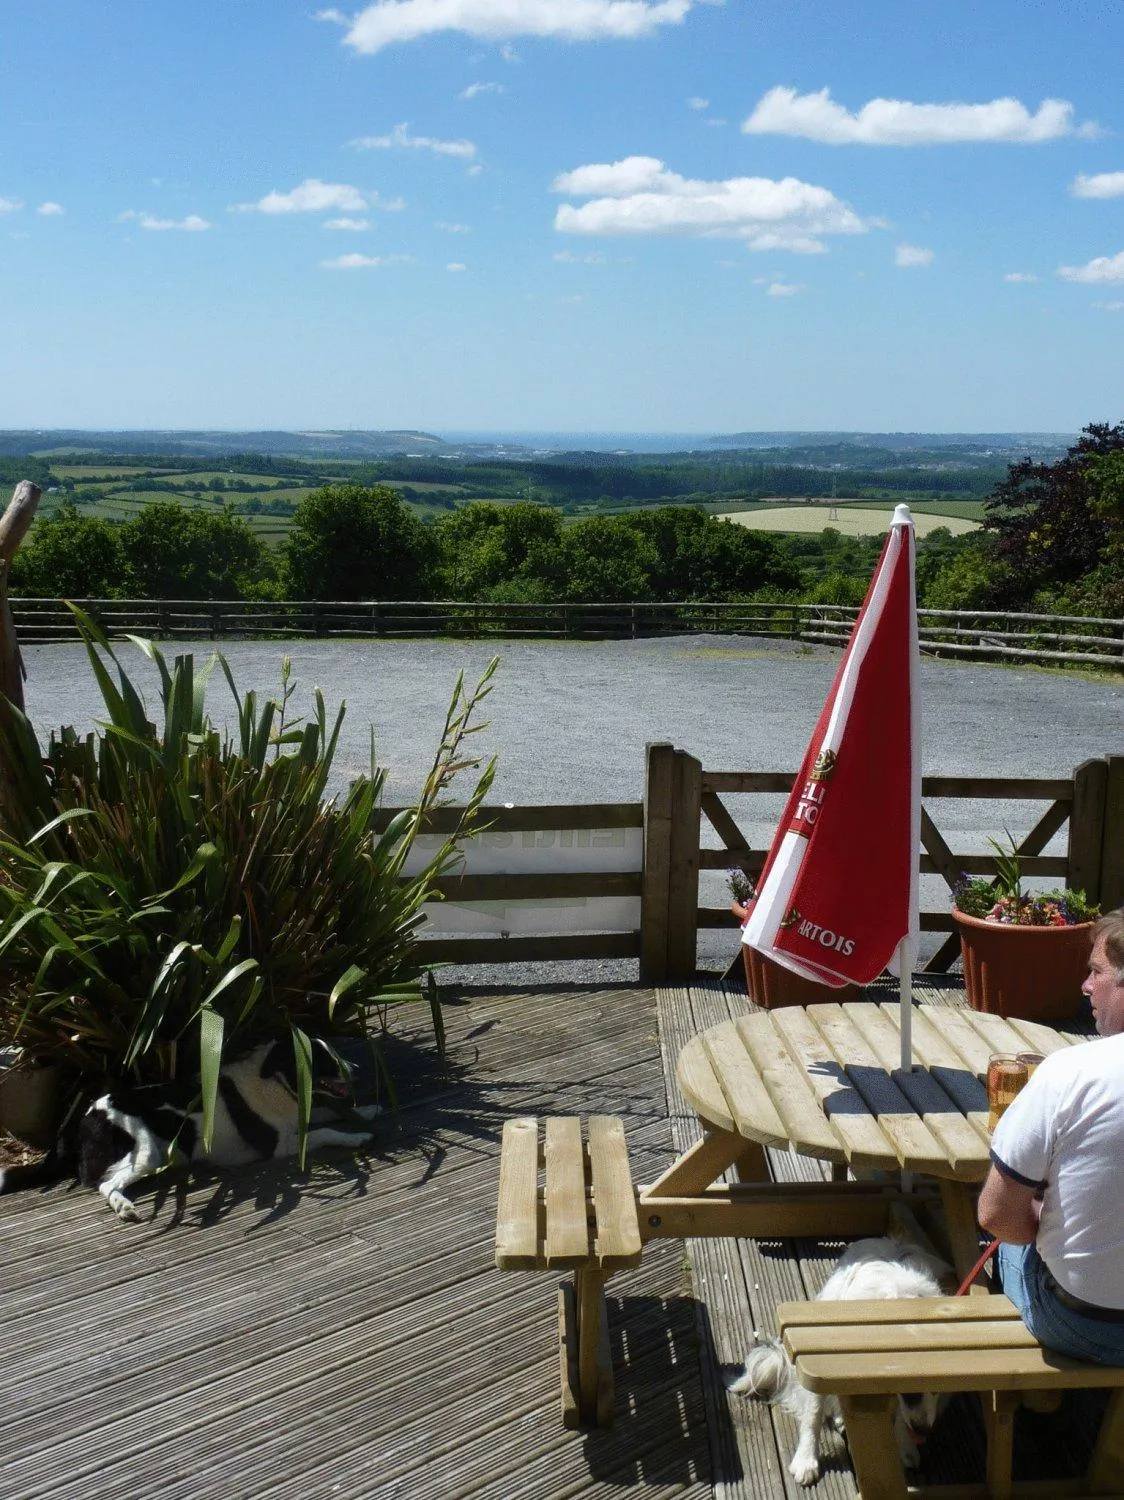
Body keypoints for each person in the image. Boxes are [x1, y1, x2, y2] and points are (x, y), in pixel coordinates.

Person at [977, 907, 1124, 1364]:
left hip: (1085, 1326)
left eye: (1096, 972)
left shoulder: (1071, 1072)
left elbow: (998, 1216)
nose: (1085, 986)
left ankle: (1037, 1406)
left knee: (994, 1241)